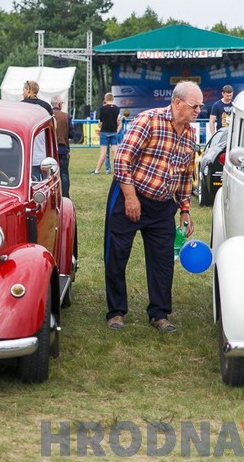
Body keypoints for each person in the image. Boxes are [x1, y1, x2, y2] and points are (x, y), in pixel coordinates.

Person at [104, 81, 200, 333]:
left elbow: (185, 175)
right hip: (129, 195)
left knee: (163, 260)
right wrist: (130, 198)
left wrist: (185, 209)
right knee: (117, 255)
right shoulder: (148, 121)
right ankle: (116, 311)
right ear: (177, 102)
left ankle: (159, 314)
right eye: (194, 106)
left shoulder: (191, 134)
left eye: (200, 107)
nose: (198, 111)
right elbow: (122, 159)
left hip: (163, 205)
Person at [21, 80, 53, 180]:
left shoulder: (21, 106)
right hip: (43, 152)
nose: (22, 93)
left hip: (27, 150)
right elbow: (53, 126)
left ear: (28, 90)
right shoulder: (46, 106)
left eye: (23, 90)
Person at [92, 92, 121, 175]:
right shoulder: (117, 109)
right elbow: (118, 121)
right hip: (113, 132)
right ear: (113, 99)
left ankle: (97, 170)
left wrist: (100, 124)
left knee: (103, 153)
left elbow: (101, 122)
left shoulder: (102, 109)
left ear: (105, 99)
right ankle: (118, 171)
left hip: (104, 132)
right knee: (115, 152)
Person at [50, 95, 73, 198]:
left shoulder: (48, 116)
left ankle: (52, 196)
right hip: (63, 148)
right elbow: (72, 134)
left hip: (50, 149)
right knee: (64, 174)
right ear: (59, 104)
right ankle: (65, 197)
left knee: (50, 175)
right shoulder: (66, 116)